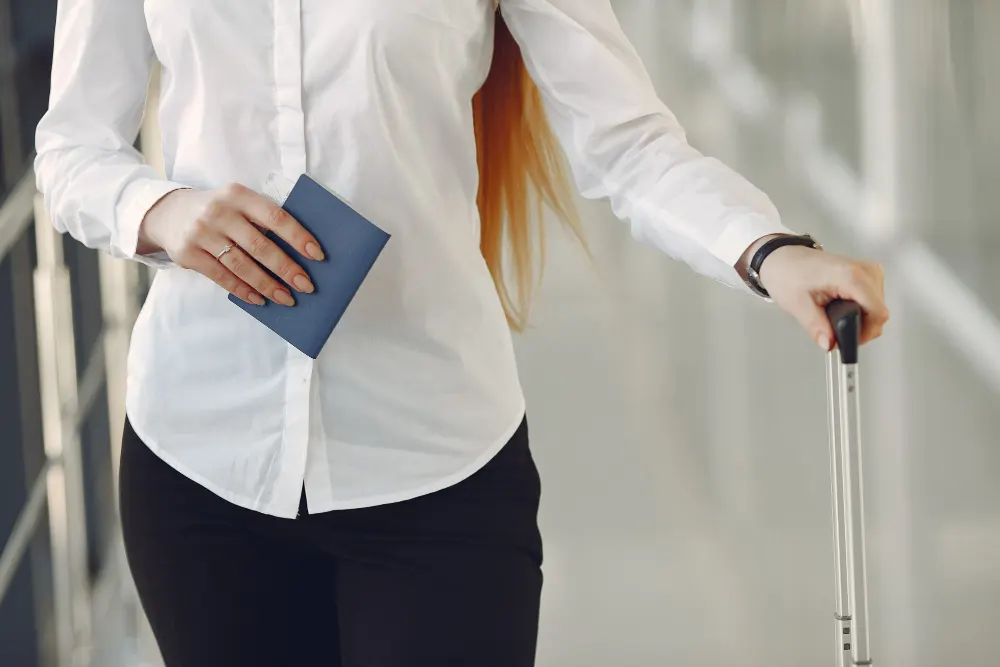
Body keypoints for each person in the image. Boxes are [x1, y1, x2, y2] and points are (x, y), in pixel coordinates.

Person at [34, 1, 888, 665]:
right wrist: (162, 212)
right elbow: (71, 147)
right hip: (200, 461)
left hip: (434, 465)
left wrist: (767, 250)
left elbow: (628, 146)